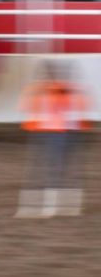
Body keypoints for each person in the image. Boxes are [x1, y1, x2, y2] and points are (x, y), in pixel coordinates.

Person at [15, 60, 91, 218]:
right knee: (51, 170)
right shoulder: (50, 90)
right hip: (48, 132)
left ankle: (56, 206)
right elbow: (25, 106)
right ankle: (52, 206)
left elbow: (24, 106)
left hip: (60, 133)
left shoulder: (61, 90)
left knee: (54, 170)